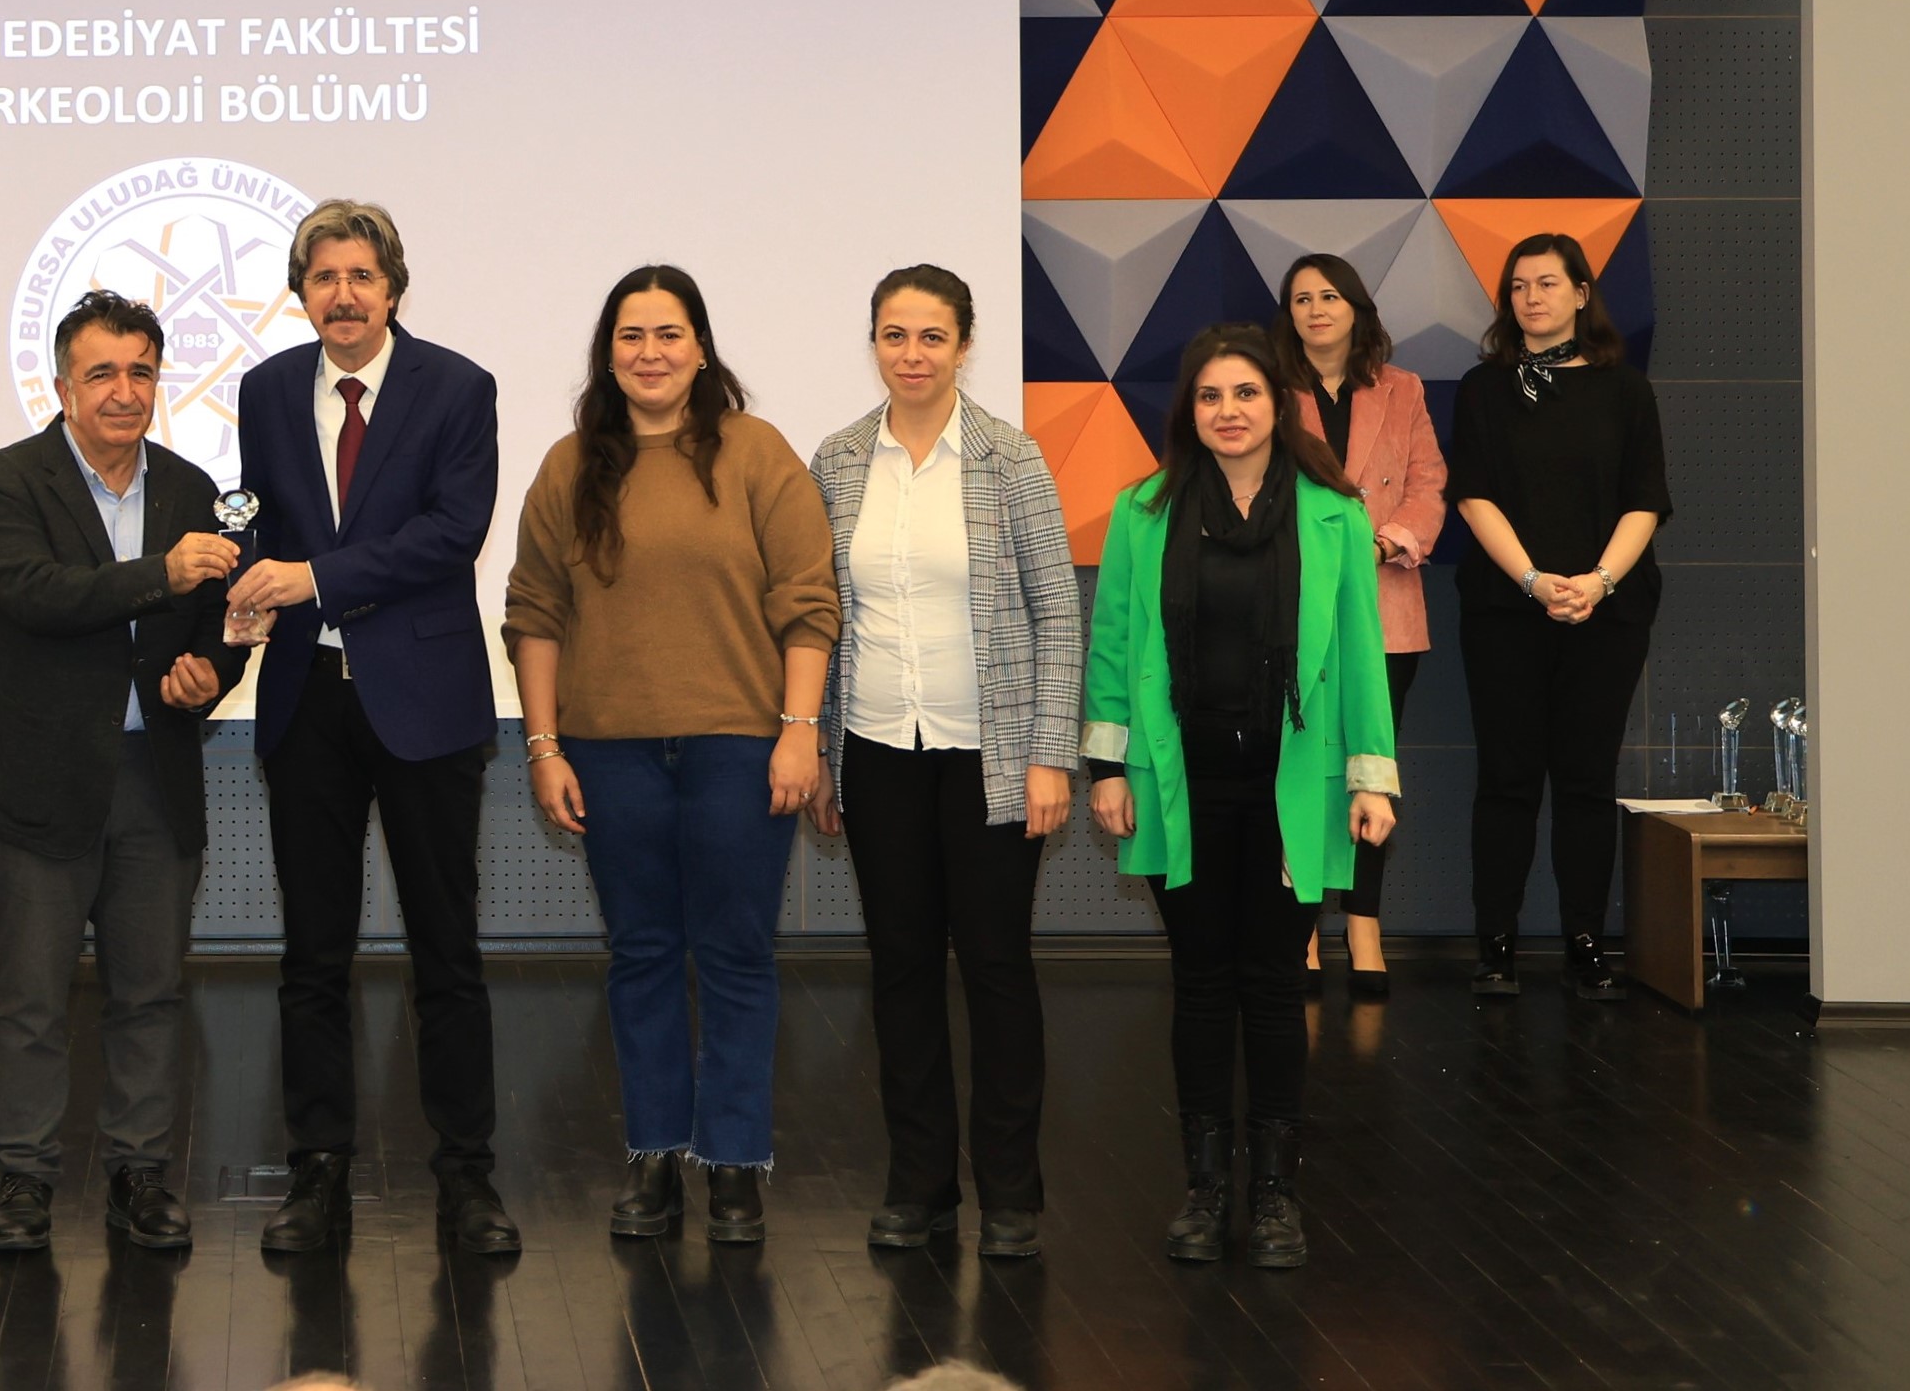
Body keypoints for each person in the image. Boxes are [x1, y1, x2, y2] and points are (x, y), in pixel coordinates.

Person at [505, 266, 837, 1246]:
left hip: (741, 745)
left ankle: (734, 1161)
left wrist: (800, 728)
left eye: (669, 333)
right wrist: (541, 744)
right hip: (608, 751)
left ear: (700, 348)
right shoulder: (570, 466)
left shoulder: (756, 452)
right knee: (641, 953)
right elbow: (534, 613)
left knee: (736, 952)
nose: (650, 352)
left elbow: (807, 600)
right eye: (631, 335)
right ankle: (653, 1152)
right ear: (608, 353)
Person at [224, 199, 521, 1257]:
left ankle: (467, 1176)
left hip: (426, 700)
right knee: (313, 953)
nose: (343, 295)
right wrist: (237, 588)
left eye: (361, 275)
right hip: (307, 697)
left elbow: (453, 534)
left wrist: (313, 576)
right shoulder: (265, 391)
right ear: (300, 292)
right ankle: (317, 1172)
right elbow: (258, 521)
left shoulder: (458, 386)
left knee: (447, 950)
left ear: (393, 287)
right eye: (324, 277)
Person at [1085, 324, 1398, 1270]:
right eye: (1210, 396)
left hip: (1290, 788)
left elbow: (1362, 656)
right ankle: (1204, 1188)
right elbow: (1112, 647)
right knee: (1199, 985)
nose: (1228, 412)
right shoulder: (1142, 511)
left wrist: (1372, 777)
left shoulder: (1335, 515)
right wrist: (1107, 769)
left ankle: (1273, 1195)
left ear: (1279, 404)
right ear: (1190, 409)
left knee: (1271, 987)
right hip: (1181, 785)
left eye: (1246, 393)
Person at [0, 290, 257, 1257]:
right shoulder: (6, 482)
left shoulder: (190, 488)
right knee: (30, 998)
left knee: (150, 993)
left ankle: (140, 1174)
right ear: (62, 387)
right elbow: (32, 596)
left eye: (141, 372)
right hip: (41, 783)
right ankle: (25, 1178)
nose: (124, 392)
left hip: (153, 780)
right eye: (102, 374)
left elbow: (218, 623)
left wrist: (210, 672)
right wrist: (160, 576)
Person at [807, 265, 1083, 1259]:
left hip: (992, 757)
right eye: (895, 334)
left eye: (932, 335)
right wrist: (823, 751)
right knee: (902, 970)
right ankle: (918, 1183)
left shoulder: (1011, 457)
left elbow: (1059, 613)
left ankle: (1009, 1191)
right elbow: (820, 617)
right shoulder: (839, 459)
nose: (912, 354)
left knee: (998, 967)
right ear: (873, 343)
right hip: (878, 748)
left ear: (965, 345)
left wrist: (1050, 755)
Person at [1447, 231, 1671, 1001]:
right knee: (1506, 778)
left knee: (1585, 779)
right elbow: (1473, 495)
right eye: (1518, 286)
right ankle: (1496, 943)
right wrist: (1535, 581)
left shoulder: (1626, 390)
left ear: (1580, 294)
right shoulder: (1484, 389)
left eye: (1546, 283)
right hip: (1505, 611)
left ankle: (1585, 941)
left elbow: (1646, 501)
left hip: (1607, 614)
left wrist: (1598, 583)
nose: (1531, 298)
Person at [1274, 252, 1444, 996]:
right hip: (1297, 606)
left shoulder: (1403, 389)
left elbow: (1428, 485)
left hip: (1383, 600)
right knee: (1301, 769)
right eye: (1302, 299)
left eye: (1330, 296)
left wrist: (1379, 543)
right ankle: (1304, 922)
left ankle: (1365, 921)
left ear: (1356, 308)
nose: (1316, 310)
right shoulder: (1268, 390)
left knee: (1373, 768)